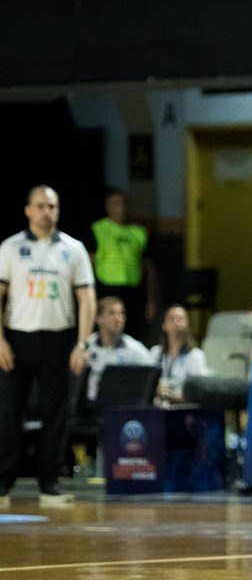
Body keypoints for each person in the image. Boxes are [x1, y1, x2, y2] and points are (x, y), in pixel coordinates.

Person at [0, 185, 96, 507]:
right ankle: (3, 482)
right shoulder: (10, 247)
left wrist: (81, 343)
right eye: (40, 206)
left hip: (58, 339)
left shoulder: (73, 248)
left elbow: (86, 299)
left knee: (56, 413)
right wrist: (0, 340)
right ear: (27, 210)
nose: (47, 212)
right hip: (17, 338)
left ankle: (49, 483)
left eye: (52, 206)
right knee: (8, 412)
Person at [87, 188, 158, 342]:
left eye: (123, 203)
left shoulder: (139, 232)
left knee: (135, 335)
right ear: (107, 207)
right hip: (107, 290)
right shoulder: (98, 229)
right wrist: (90, 297)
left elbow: (149, 268)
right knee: (107, 333)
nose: (121, 207)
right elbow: (89, 263)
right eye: (116, 203)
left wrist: (151, 299)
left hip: (134, 292)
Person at [84, 296, 155, 406]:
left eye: (121, 313)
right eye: (112, 313)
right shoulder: (87, 345)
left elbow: (153, 372)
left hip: (122, 406)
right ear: (99, 318)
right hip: (90, 407)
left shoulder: (133, 347)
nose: (118, 318)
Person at [149, 304, 211, 406]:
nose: (176, 323)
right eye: (172, 319)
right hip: (157, 410)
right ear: (164, 325)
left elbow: (197, 395)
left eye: (181, 319)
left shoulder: (195, 355)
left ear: (187, 324)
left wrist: (168, 396)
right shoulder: (155, 353)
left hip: (184, 411)